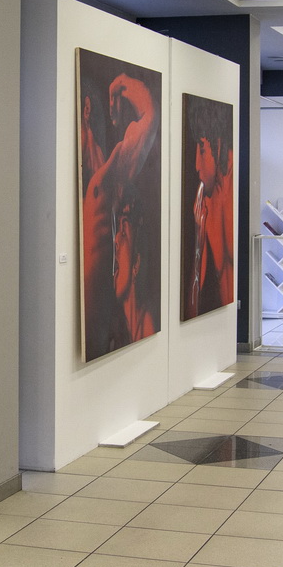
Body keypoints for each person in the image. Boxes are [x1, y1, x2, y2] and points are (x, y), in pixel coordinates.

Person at [81, 72, 158, 358]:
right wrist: (124, 84)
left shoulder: (101, 186)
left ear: (86, 109)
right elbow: (150, 114)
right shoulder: (101, 187)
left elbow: (149, 119)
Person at [189, 130, 234, 316]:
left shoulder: (230, 193)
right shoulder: (205, 202)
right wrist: (199, 232)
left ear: (218, 146)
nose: (196, 165)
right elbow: (195, 300)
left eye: (202, 150)